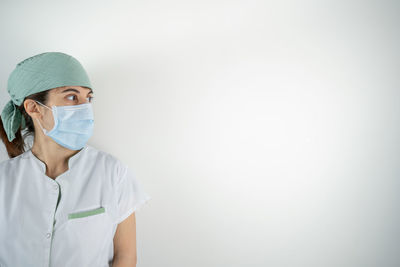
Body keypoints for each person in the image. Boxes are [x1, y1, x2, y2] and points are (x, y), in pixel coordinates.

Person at [0, 52, 151, 267]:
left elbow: (125, 257)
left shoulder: (113, 173)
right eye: (72, 97)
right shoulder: (4, 181)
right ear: (34, 108)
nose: (85, 107)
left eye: (88, 98)